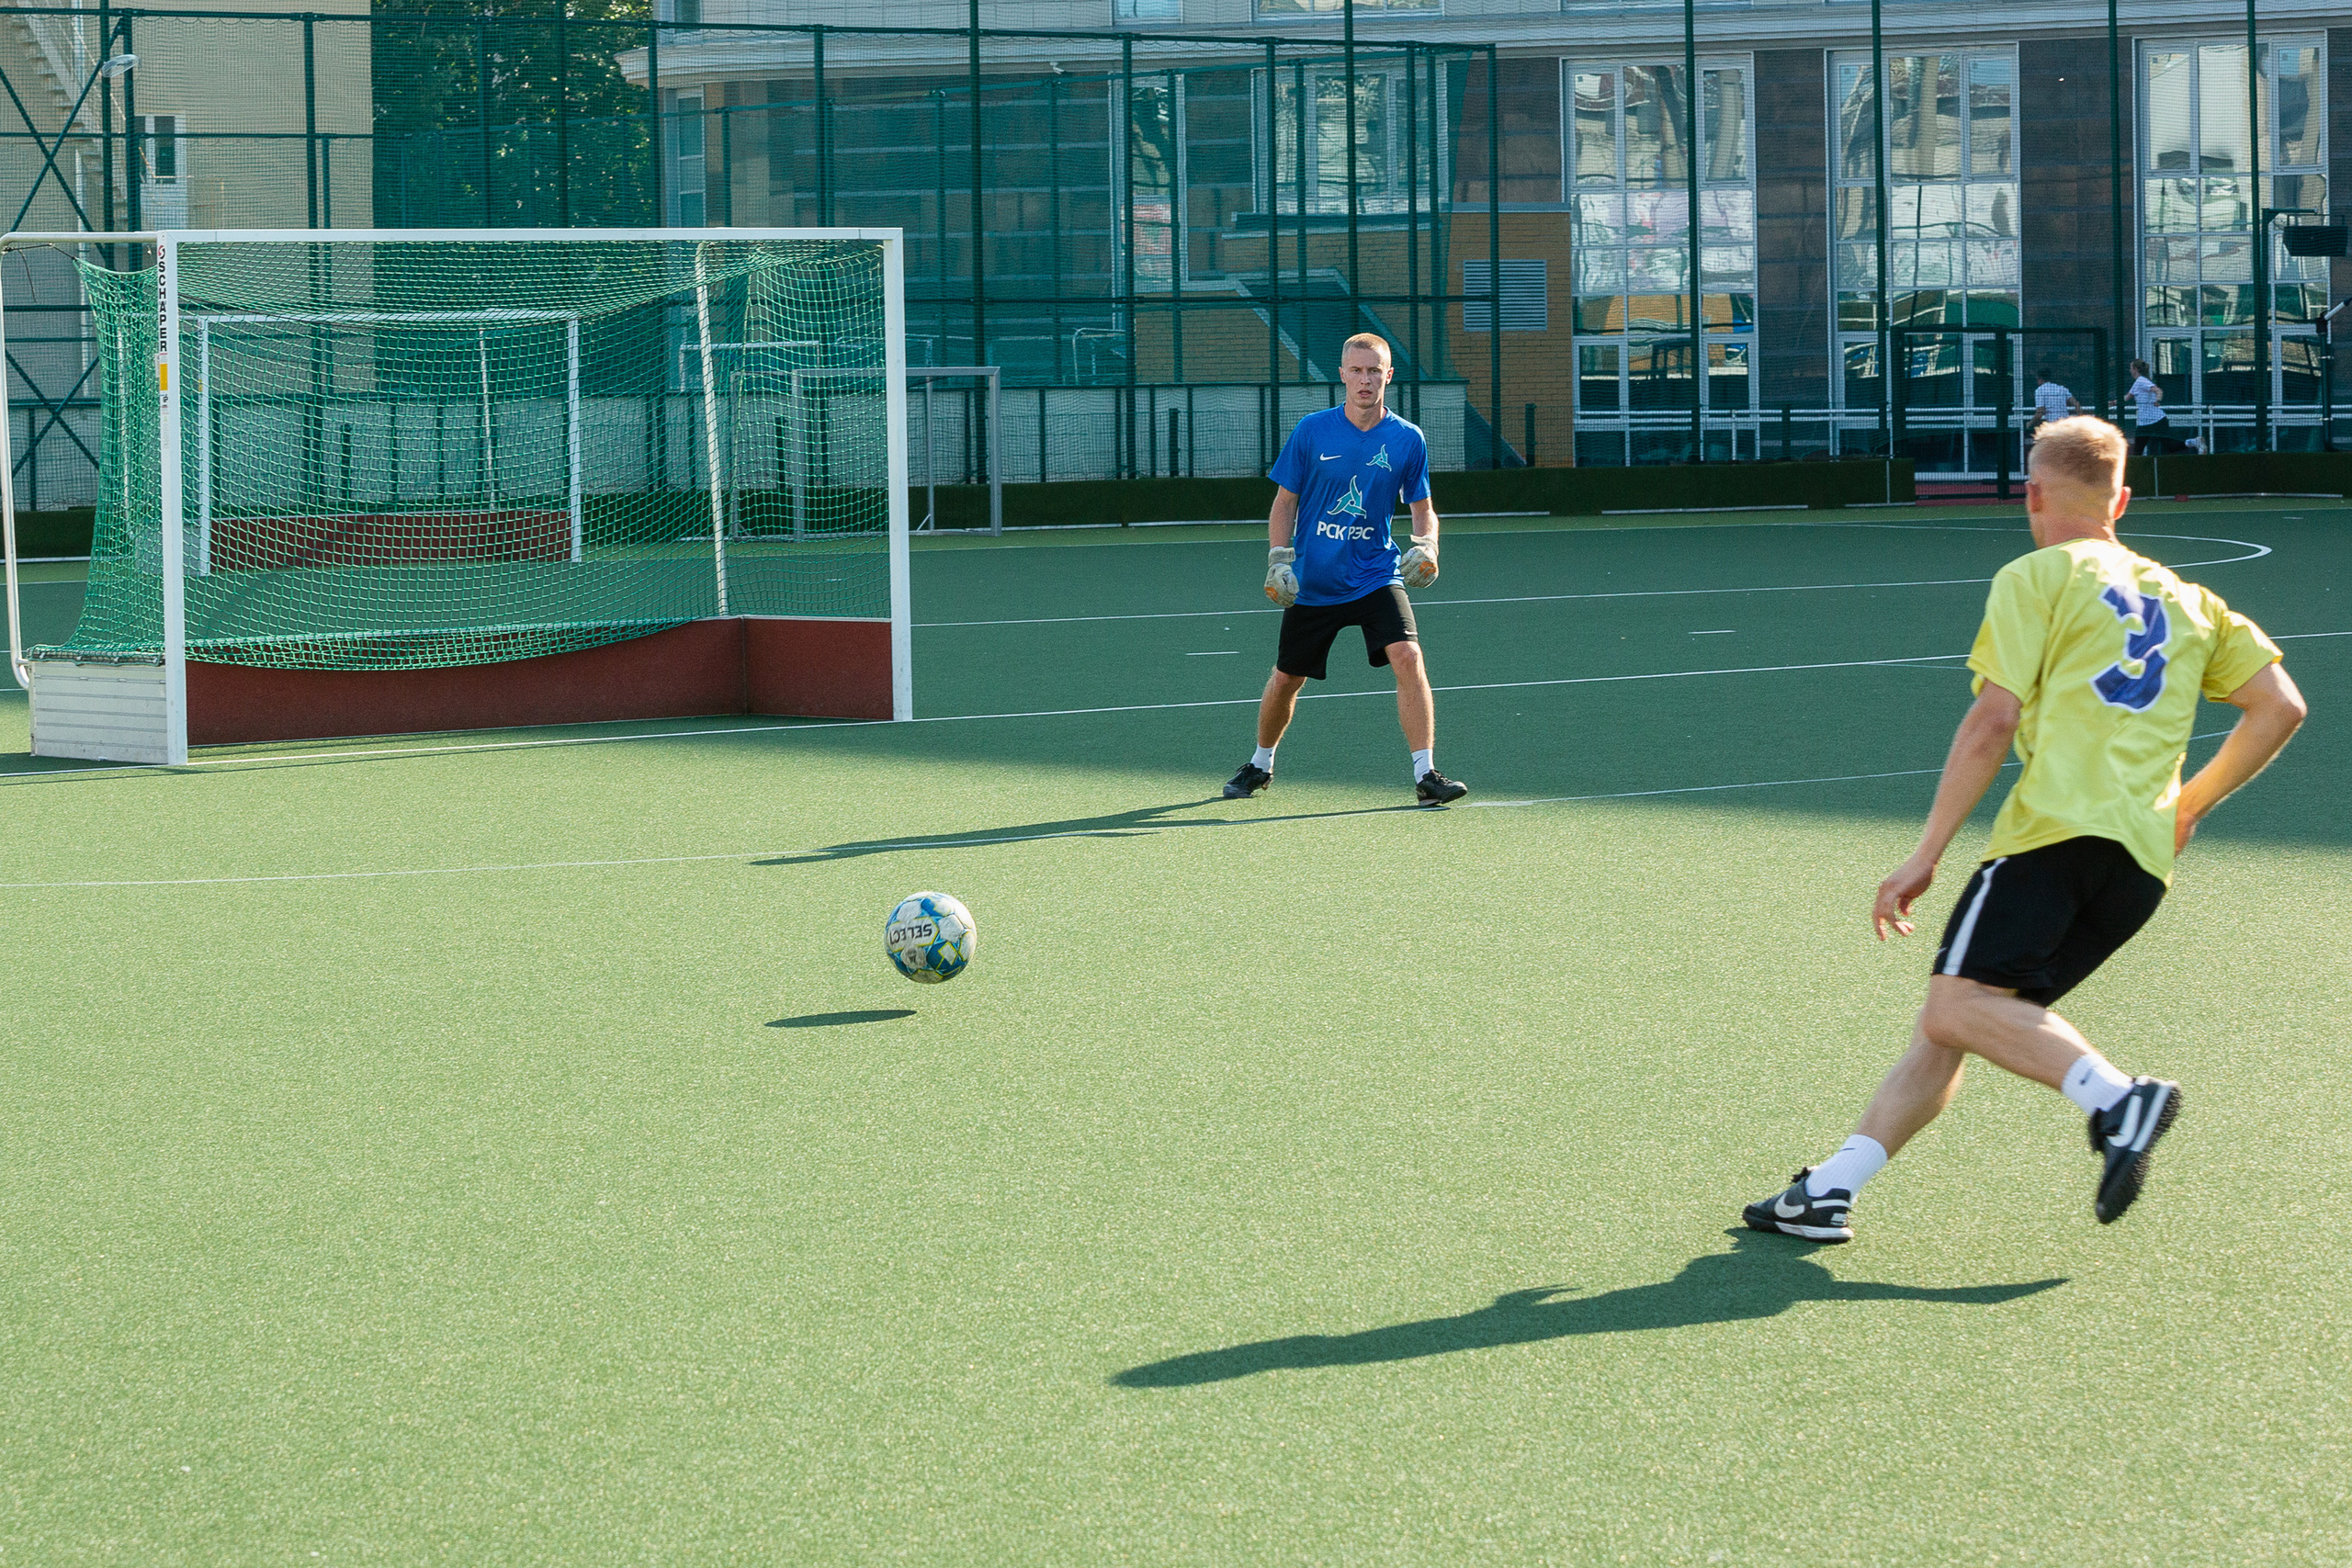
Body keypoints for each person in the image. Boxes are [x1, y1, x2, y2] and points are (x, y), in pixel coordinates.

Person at [1744, 416, 2306, 1244]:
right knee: (1961, 1016)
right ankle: (1830, 1189)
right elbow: (2280, 706)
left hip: (2053, 837)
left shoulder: (2039, 575)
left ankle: (2119, 1099)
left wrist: (1925, 852)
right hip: (2139, 866)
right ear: (2122, 498)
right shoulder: (2192, 599)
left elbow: (1992, 720)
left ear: (2034, 494)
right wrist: (2189, 806)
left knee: (1960, 1005)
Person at [1224, 333, 1467, 807]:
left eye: (1374, 370)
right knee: (1287, 678)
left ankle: (1426, 776)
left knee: (1409, 657)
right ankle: (1260, 763)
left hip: (1376, 572)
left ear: (1388, 376)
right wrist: (1279, 560)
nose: (1365, 379)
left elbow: (1423, 508)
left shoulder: (1406, 438)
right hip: (1315, 580)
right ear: (1342, 374)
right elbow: (1283, 504)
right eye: (1356, 370)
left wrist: (1428, 546)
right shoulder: (1312, 430)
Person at [2125, 359, 2173, 456]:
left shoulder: (2141, 381)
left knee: (2169, 447)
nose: (2130, 371)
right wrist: (2111, 403)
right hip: (2145, 422)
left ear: (2135, 369)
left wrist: (2158, 400)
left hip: (2157, 420)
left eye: (2131, 368)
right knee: (2138, 450)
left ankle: (2194, 442)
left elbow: (2158, 391)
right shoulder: (2137, 383)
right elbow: (2126, 398)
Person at [2028, 368, 2079, 436]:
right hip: (2066, 427)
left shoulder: (2040, 391)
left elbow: (2040, 413)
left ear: (2040, 379)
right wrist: (2080, 421)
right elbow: (2077, 404)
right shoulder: (2062, 389)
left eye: (2037, 379)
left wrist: (2029, 423)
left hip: (2054, 428)